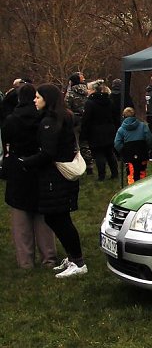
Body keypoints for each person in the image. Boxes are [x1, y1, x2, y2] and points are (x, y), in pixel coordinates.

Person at [21, 83, 87, 278]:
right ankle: (72, 256)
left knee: (60, 218)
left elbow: (48, 153)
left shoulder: (50, 122)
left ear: (47, 100)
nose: (34, 100)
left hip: (55, 177)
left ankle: (78, 261)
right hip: (57, 176)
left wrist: (26, 162)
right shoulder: (60, 118)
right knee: (54, 217)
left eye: (38, 97)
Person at [2, 83, 58, 269]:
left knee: (20, 219)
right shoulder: (42, 118)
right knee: (42, 215)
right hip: (40, 168)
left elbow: (6, 144)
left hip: (18, 169)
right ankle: (49, 257)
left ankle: (25, 261)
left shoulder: (11, 120)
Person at [81, 80, 119, 181]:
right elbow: (115, 116)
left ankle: (101, 176)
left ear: (93, 90)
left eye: (88, 89)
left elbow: (86, 120)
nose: (87, 91)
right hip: (109, 130)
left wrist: (83, 133)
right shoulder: (109, 100)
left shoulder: (90, 103)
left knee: (98, 154)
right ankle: (115, 173)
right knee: (110, 152)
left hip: (95, 132)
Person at [114, 107, 152, 184]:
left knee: (131, 173)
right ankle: (143, 188)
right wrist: (146, 148)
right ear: (135, 115)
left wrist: (123, 152)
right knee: (142, 172)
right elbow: (150, 139)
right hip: (142, 153)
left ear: (123, 116)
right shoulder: (143, 126)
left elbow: (117, 143)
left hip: (129, 155)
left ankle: (132, 190)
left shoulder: (121, 129)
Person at [65, 72, 92, 174]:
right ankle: (90, 166)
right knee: (86, 143)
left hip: (75, 121)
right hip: (87, 120)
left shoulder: (70, 94)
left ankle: (78, 166)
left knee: (76, 144)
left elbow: (67, 108)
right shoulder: (88, 92)